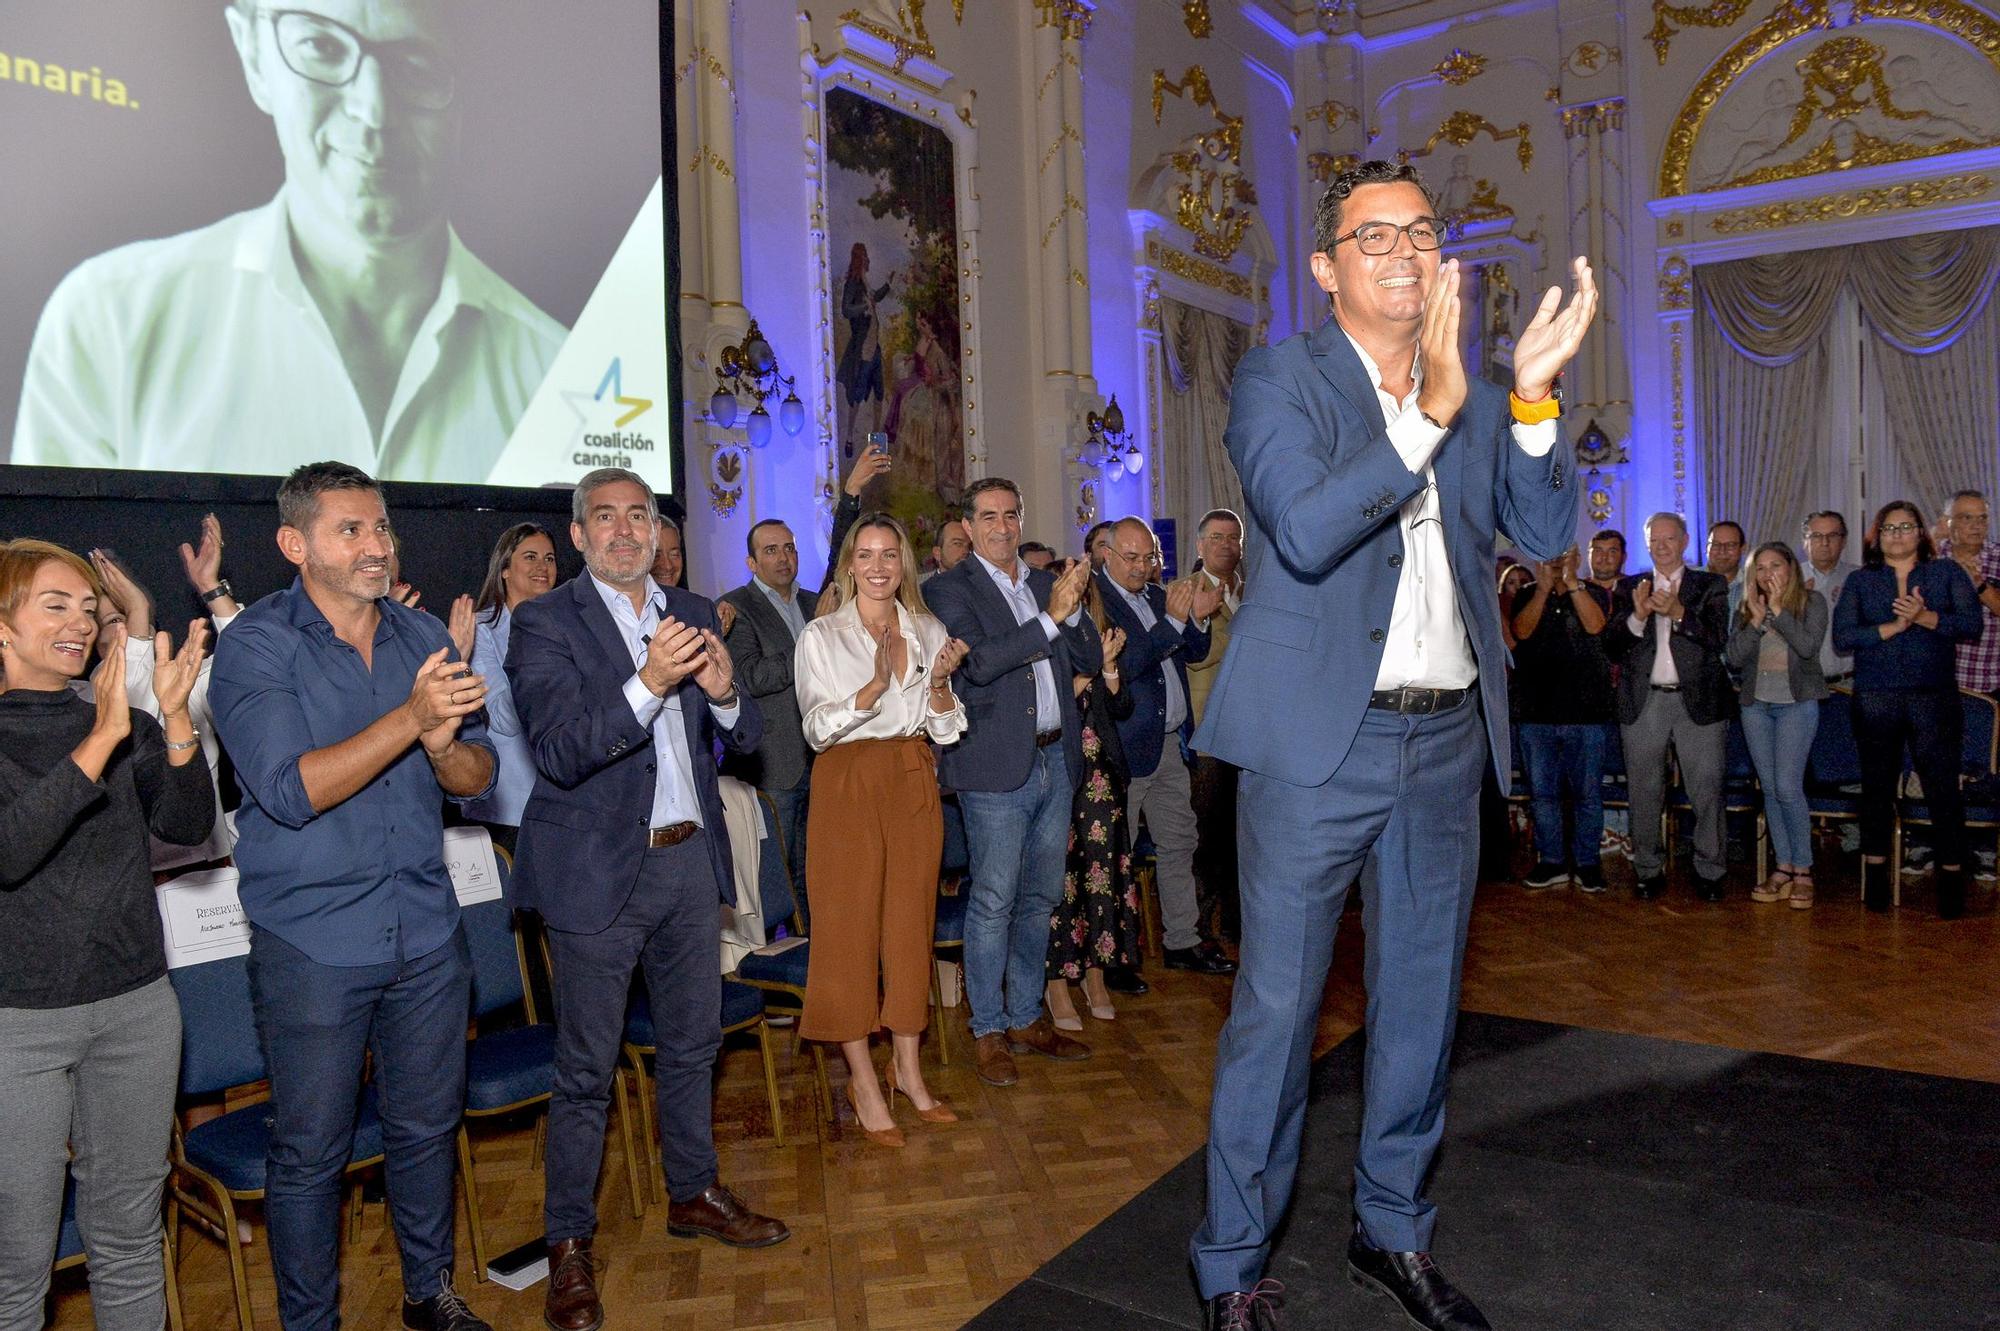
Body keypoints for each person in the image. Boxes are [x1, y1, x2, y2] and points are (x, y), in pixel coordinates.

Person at [1189, 159, 1594, 1331]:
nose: (1404, 253)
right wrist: (1425, 411)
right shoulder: (1277, 377)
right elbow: (1307, 531)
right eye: (1374, 237)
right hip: (1319, 746)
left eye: (1421, 233)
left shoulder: (1467, 387)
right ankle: (1228, 1266)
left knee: (1418, 1010)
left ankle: (1391, 1228)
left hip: (1442, 740)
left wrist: (1526, 400)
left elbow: (1542, 526)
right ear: (1326, 268)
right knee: (1277, 1011)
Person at [13, 1, 564, 482]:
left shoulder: (558, 374)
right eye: (321, 45)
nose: (372, 110)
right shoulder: (109, 322)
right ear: (252, 53)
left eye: (415, 66)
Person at [209, 462, 498, 1331]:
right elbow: (289, 789)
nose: (377, 546)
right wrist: (412, 721)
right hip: (313, 941)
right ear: (296, 544)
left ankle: (428, 1293)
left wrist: (443, 746)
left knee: (423, 1126)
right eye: (352, 531)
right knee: (310, 1154)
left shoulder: (418, 637)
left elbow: (476, 774)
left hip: (423, 928)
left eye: (382, 529)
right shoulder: (258, 645)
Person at [505, 468, 786, 1331]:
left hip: (685, 862)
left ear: (658, 533)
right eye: (606, 519)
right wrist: (651, 681)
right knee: (586, 1069)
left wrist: (727, 690)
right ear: (581, 535)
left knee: (694, 1043)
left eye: (640, 516)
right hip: (595, 872)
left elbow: (744, 740)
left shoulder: (695, 611)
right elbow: (558, 751)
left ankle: (694, 1190)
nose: (625, 532)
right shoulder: (544, 621)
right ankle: (568, 1244)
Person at [0, 542, 214, 1331]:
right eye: (55, 604)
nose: (81, 621)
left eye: (90, 607)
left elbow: (188, 825)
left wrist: (176, 717)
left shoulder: (124, 720)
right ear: (1, 624)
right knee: (15, 1260)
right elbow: (10, 851)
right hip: (17, 1025)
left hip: (136, 1008)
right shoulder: (99, 726)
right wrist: (101, 737)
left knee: (128, 1238)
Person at [793, 515, 969, 1144]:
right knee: (847, 931)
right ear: (847, 564)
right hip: (846, 783)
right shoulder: (820, 635)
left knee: (909, 927)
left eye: (888, 555)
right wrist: (870, 688)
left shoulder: (927, 628)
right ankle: (863, 1083)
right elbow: (815, 728)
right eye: (864, 555)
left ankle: (908, 1071)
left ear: (904, 564)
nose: (877, 566)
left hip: (912, 775)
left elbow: (946, 728)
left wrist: (941, 687)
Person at [926, 478, 1103, 1089]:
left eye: (1012, 514)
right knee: (994, 900)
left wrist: (1072, 610)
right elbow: (979, 663)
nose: (1003, 527)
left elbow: (1083, 659)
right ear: (969, 527)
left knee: (1040, 899)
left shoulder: (1041, 583)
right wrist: (1052, 619)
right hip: (996, 769)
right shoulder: (948, 588)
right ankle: (988, 1029)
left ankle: (1028, 1016)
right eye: (989, 517)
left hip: (1057, 761)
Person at [1832, 500, 1981, 918]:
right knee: (1877, 789)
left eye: (1907, 527)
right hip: (1877, 696)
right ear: (1877, 537)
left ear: (1922, 534)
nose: (1898, 535)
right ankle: (1876, 880)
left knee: (1941, 790)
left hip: (1933, 697)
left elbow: (1971, 625)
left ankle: (1952, 881)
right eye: (1890, 528)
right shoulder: (1864, 580)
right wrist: (1892, 627)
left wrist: (1924, 617)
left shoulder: (1945, 573)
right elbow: (1843, 636)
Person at [1097, 518, 1233, 976]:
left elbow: (1192, 653)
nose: (1142, 567)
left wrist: (1195, 617)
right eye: (1131, 558)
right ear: (1107, 555)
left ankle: (1182, 941)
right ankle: (1114, 954)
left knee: (1179, 844)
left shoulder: (1158, 596)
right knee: (1118, 855)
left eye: (1149, 558)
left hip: (1171, 743)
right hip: (1125, 749)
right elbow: (1126, 665)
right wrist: (1174, 621)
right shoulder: (1095, 602)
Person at [1602, 512, 1734, 901]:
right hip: (1645, 702)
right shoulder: (1630, 587)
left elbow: (1717, 638)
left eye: (1669, 539)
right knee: (1644, 790)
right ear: (1646, 544)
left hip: (1699, 704)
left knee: (1706, 789)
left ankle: (1710, 871)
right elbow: (1611, 646)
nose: (1662, 547)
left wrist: (1678, 613)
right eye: (1654, 540)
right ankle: (1647, 869)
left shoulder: (1709, 585)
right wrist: (1639, 616)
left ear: (1685, 541)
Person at [1044, 590, 1139, 1029]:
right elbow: (1052, 707)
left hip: (1102, 777)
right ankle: (1057, 983)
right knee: (1059, 880)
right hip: (1059, 769)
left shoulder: (1100, 636)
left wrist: (1110, 666)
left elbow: (1121, 706)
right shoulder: (1043, 637)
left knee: (1102, 876)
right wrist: (1088, 669)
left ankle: (1097, 976)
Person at [1727, 543, 1829, 908]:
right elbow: (1734, 658)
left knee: (1788, 786)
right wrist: (1755, 621)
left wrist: (1777, 611)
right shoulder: (1746, 607)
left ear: (1791, 569)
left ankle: (1803, 869)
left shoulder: (1812, 602)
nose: (1767, 573)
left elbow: (1807, 647)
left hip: (1796, 706)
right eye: (1759, 567)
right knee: (1770, 788)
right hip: (1757, 706)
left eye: (1775, 565)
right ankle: (1782, 866)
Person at [1510, 546, 1613, 892]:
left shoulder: (1596, 592)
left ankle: (1588, 864)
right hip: (1536, 714)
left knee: (1588, 794)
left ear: (1577, 559)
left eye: (1564, 555)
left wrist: (1572, 585)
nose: (1556, 562)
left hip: (1586, 713)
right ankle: (1551, 861)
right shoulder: (1525, 593)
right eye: (1549, 556)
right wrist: (1541, 589)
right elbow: (1521, 633)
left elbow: (1596, 626)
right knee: (1543, 795)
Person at [462, 523, 559, 853]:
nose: (542, 567)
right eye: (530, 557)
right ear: (504, 568)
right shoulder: (480, 628)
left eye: (549, 558)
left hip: (565, 809)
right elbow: (503, 716)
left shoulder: (568, 631)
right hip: (506, 811)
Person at [1186, 509, 1245, 944]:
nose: (1227, 545)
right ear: (1200, 545)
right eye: (1218, 537)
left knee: (1246, 838)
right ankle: (1203, 929)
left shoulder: (1253, 592)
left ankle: (1242, 924)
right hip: (1208, 735)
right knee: (1209, 841)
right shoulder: (1184, 592)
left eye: (1234, 538)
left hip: (1251, 737)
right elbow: (1193, 655)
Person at [1800, 511, 1859, 684]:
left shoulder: (1859, 578)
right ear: (1805, 541)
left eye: (1832, 535)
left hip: (1847, 685)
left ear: (1844, 541)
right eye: (1816, 536)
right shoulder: (1789, 579)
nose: (1824, 543)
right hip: (1802, 688)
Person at [1706, 520, 1748, 614]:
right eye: (1716, 544)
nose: (1722, 551)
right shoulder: (1688, 581)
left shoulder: (1752, 584)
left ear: (1743, 548)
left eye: (1730, 545)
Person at [928, 511, 973, 581]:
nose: (966, 551)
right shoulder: (922, 590)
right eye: (958, 544)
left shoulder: (983, 584)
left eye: (970, 546)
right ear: (937, 553)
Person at [1587, 528, 1627, 593]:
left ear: (1624, 557)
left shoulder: (1637, 591)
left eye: (1612, 552)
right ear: (1589, 555)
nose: (1604, 557)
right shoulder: (1576, 591)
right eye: (1598, 551)